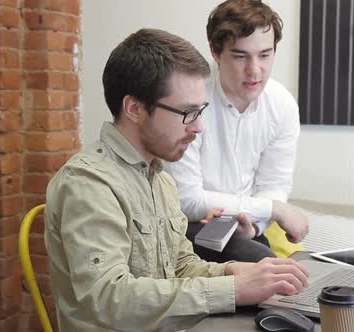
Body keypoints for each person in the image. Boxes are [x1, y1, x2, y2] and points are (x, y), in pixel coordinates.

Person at [44, 28, 309, 332]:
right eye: (187, 113)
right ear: (135, 108)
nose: (199, 128)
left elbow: (180, 266)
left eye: (201, 111)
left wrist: (233, 272)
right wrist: (233, 290)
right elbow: (107, 298)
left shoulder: (160, 178)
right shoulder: (89, 184)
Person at [167, 0, 309, 262]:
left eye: (265, 55)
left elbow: (273, 186)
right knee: (261, 262)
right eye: (241, 56)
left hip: (247, 228)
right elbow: (187, 199)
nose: (255, 70)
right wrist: (275, 210)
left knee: (278, 267)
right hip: (190, 226)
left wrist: (255, 226)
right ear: (215, 51)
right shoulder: (189, 100)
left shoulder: (282, 105)